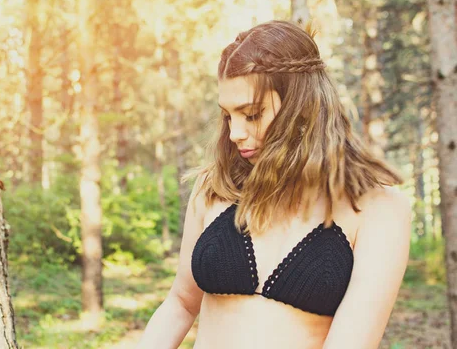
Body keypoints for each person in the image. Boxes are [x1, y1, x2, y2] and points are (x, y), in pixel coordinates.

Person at [136, 20, 411, 349]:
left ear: (302, 106)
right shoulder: (215, 187)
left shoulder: (378, 208)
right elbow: (180, 303)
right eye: (228, 116)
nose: (235, 132)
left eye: (251, 114)